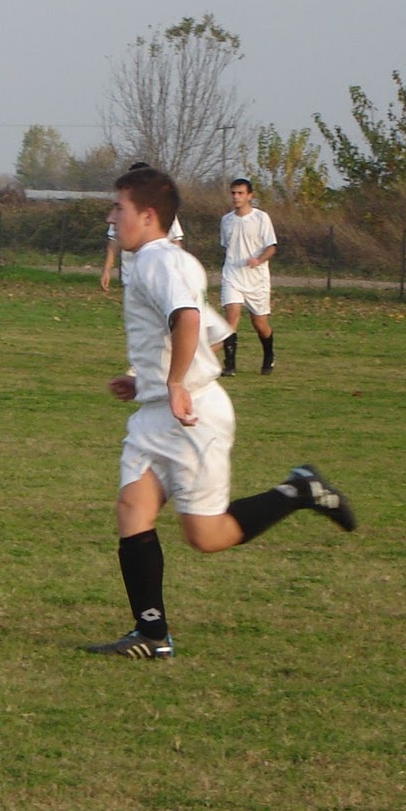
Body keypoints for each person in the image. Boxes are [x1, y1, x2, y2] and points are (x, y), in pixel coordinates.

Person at [85, 165, 356, 660]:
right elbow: (211, 331)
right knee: (131, 509)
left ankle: (298, 490)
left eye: (119, 208)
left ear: (147, 215)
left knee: (206, 536)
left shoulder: (159, 261)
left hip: (191, 415)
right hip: (159, 411)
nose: (111, 217)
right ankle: (152, 634)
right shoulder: (157, 261)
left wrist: (174, 383)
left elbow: (187, 318)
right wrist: (148, 378)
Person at [218, 177, 277, 376]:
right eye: (233, 193)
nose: (236, 197)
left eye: (240, 193)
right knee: (232, 315)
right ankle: (230, 365)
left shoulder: (261, 218)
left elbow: (271, 247)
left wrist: (258, 260)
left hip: (256, 279)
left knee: (260, 324)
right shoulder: (226, 220)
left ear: (250, 196)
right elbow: (226, 246)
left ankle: (269, 354)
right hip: (232, 275)